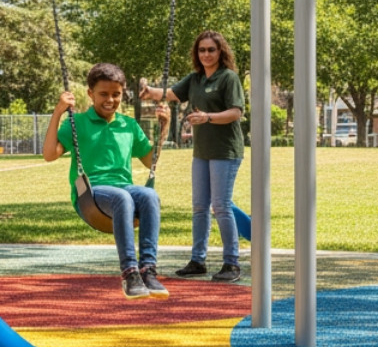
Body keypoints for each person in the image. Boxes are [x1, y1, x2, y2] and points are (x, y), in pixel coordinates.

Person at [44, 63, 172, 300]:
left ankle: (148, 270)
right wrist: (58, 111)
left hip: (123, 188)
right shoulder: (77, 122)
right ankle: (130, 273)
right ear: (90, 93)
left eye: (116, 94)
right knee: (122, 197)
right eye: (103, 94)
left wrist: (165, 127)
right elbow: (49, 154)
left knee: (149, 195)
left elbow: (149, 161)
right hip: (91, 194)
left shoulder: (128, 125)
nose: (110, 100)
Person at [139, 30, 247, 282]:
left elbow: (235, 112)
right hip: (202, 152)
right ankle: (198, 260)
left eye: (211, 50)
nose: (206, 54)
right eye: (202, 50)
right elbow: (170, 94)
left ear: (220, 51)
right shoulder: (195, 79)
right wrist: (149, 91)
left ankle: (231, 263)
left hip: (225, 150)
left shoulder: (228, 78)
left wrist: (207, 117)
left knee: (221, 206)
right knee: (199, 207)